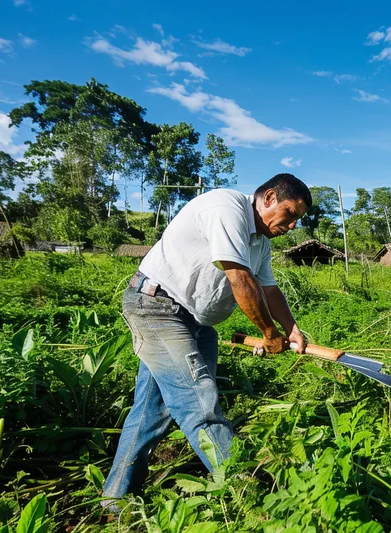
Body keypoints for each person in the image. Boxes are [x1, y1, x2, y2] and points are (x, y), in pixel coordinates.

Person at [102, 173, 311, 506]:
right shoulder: (227, 209)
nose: (291, 226)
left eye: (297, 221)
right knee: (200, 404)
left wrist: (291, 329)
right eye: (290, 214)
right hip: (157, 307)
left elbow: (268, 289)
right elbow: (240, 278)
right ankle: (253, 498)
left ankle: (115, 497)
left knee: (149, 411)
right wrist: (269, 334)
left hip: (195, 321)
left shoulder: (261, 242)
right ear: (269, 197)